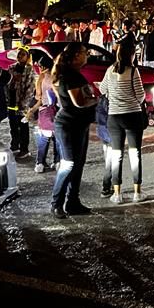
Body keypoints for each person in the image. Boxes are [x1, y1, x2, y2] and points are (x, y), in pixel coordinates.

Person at [50, 42, 98, 218]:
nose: (87, 55)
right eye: (85, 52)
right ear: (76, 55)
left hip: (79, 124)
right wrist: (98, 98)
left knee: (78, 164)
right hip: (69, 124)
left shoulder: (72, 74)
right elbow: (79, 102)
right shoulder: (71, 76)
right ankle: (56, 203)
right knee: (69, 164)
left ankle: (72, 202)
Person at [99, 41, 147, 204]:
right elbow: (141, 96)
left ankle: (117, 193)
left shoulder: (109, 70)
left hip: (114, 117)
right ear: (131, 55)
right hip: (133, 115)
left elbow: (102, 90)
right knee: (135, 154)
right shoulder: (133, 71)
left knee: (116, 155)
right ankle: (137, 192)